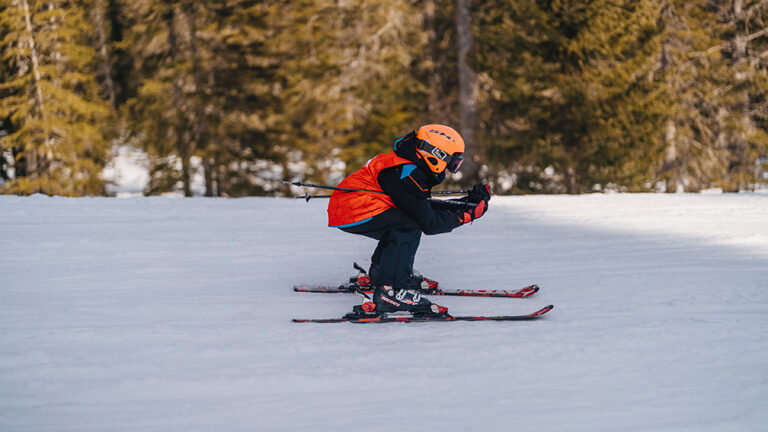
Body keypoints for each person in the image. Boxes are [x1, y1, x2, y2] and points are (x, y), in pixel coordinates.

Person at [327, 124, 491, 315]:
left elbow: (421, 207)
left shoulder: (409, 166)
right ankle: (391, 292)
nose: (452, 170)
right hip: (352, 208)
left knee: (403, 222)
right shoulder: (407, 174)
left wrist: (466, 204)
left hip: (352, 205)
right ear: (437, 156)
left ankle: (383, 274)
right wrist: (469, 214)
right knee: (407, 226)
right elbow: (429, 222)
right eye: (453, 164)